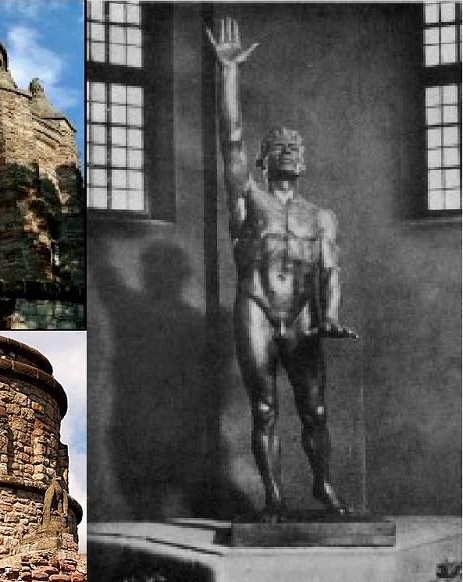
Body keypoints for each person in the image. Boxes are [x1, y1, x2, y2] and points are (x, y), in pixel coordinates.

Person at [207, 17, 357, 521]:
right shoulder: (248, 200)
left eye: (298, 147)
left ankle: (323, 484)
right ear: (265, 161)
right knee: (266, 408)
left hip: (304, 316)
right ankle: (273, 495)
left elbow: (331, 270)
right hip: (256, 305)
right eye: (281, 148)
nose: (292, 151)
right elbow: (231, 141)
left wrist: (331, 315)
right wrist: (229, 73)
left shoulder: (322, 216)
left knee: (314, 410)